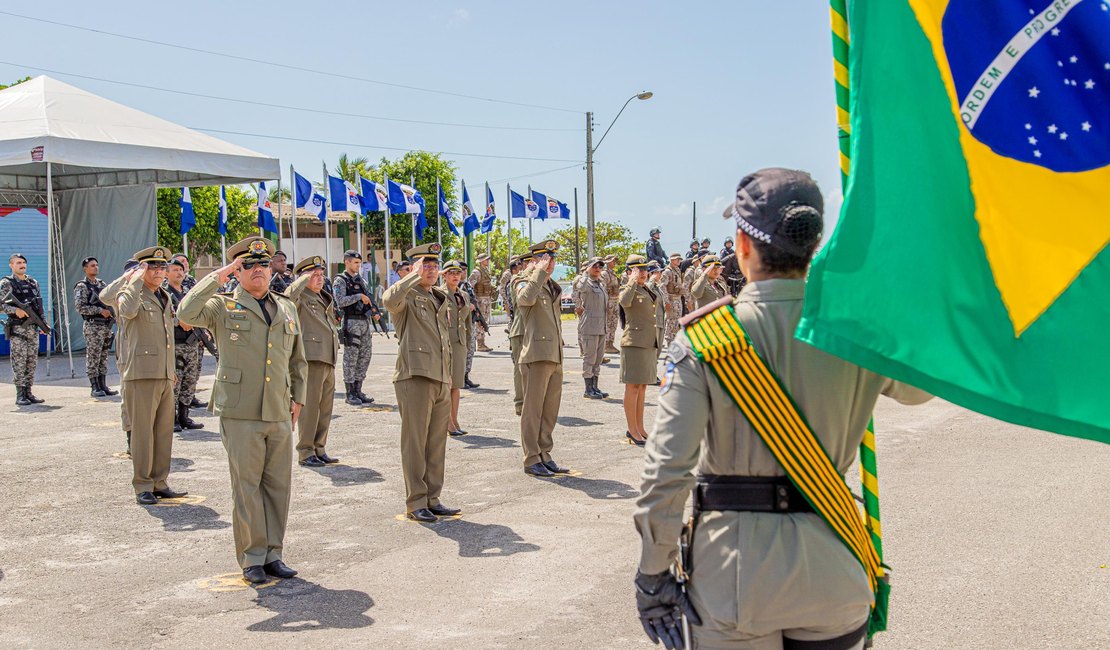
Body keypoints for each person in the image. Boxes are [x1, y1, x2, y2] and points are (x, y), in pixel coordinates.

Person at [633, 168, 932, 649]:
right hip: (835, 565)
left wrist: (652, 574)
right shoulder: (855, 330)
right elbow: (921, 389)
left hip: (734, 578)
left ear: (743, 246)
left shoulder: (705, 339)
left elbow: (666, 473)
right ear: (812, 246)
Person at [177, 236, 307, 585]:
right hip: (241, 410)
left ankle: (273, 554)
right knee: (247, 487)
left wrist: (299, 398)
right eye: (248, 265)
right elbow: (185, 312)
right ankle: (252, 556)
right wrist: (218, 276)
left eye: (263, 265)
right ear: (238, 271)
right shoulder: (222, 306)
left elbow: (297, 359)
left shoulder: (286, 307)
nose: (259, 271)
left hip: (278, 408)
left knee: (278, 485)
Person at [382, 243, 461, 523]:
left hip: (439, 376)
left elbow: (445, 342)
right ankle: (416, 501)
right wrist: (410, 277)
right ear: (414, 267)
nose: (431, 269)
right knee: (415, 443)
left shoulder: (439, 296)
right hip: (415, 375)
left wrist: (449, 374)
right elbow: (389, 301)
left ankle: (432, 498)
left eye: (433, 264)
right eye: (424, 264)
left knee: (436, 442)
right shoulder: (407, 294)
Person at [116, 246, 184, 505]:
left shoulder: (164, 296)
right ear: (141, 270)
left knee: (163, 431)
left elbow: (167, 338)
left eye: (162, 267)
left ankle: (159, 481)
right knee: (143, 432)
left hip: (164, 373)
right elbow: (128, 311)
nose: (159, 272)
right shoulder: (131, 293)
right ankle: (142, 484)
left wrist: (171, 371)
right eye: (152, 267)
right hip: (141, 373)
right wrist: (133, 281)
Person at [515, 240, 571, 478]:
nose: (550, 263)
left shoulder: (551, 285)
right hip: (536, 353)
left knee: (549, 410)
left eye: (552, 259)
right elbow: (525, 300)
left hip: (554, 353)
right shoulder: (523, 281)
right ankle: (531, 458)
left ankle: (544, 453)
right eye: (545, 259)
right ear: (534, 260)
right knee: (533, 410)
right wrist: (538, 272)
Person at [286, 255, 341, 468]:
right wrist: (301, 280)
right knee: (309, 409)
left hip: (327, 358)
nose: (319, 278)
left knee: (324, 408)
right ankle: (305, 451)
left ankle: (319, 447)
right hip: (311, 358)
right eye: (314, 275)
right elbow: (287, 297)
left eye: (321, 275)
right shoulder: (301, 296)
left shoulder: (322, 297)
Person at [618, 255, 660, 446]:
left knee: (642, 387)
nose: (643, 273)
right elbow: (625, 302)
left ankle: (640, 428)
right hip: (634, 343)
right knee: (633, 387)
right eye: (638, 269)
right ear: (629, 272)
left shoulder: (646, 289)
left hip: (648, 343)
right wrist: (631, 281)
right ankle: (632, 429)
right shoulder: (627, 289)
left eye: (644, 269)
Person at [333, 250, 380, 406]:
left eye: (359, 263)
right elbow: (340, 301)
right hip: (351, 322)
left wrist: (374, 311)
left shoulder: (362, 281)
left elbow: (369, 298)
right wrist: (358, 297)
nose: (358, 266)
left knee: (365, 356)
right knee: (351, 358)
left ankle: (359, 390)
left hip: (364, 322)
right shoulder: (340, 280)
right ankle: (350, 392)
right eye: (355, 263)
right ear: (347, 262)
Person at [101, 259, 138, 450]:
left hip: (152, 351)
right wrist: (126, 278)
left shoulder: (152, 291)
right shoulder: (121, 293)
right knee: (129, 394)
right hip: (128, 348)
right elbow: (105, 296)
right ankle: (132, 438)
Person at [1, 253, 47, 406]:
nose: (22, 265)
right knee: (19, 362)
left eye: (23, 262)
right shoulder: (6, 283)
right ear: (11, 265)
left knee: (31, 362)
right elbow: (1, 305)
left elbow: (39, 306)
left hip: (33, 328)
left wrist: (43, 325)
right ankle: (20, 394)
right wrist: (16, 311)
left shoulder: (33, 282)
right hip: (18, 329)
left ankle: (29, 392)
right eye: (18, 262)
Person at [165, 258, 204, 432]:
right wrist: (178, 321)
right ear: (167, 273)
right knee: (175, 382)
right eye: (175, 270)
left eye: (181, 270)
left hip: (192, 344)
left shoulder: (188, 292)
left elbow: (199, 311)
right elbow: (162, 317)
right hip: (175, 344)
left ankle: (184, 416)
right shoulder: (164, 293)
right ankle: (171, 418)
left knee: (190, 381)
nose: (179, 273)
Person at [74, 256, 118, 398]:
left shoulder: (101, 284)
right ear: (85, 269)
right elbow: (80, 307)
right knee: (94, 356)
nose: (95, 267)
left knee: (103, 356)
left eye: (96, 265)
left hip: (105, 326)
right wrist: (99, 311)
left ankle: (103, 384)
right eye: (92, 265)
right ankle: (94, 386)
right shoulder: (82, 286)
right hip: (93, 326)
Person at [441, 260, 473, 437]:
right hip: (445, 343)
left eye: (458, 273)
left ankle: (454, 419)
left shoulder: (463, 295)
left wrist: (467, 344)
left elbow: (466, 322)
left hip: (459, 343)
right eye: (451, 273)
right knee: (447, 384)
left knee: (457, 384)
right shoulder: (439, 293)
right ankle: (447, 422)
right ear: (444, 275)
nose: (455, 276)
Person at [573, 257, 609, 400]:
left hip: (601, 326)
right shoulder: (585, 282)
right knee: (590, 358)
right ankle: (588, 389)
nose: (598, 268)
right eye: (594, 266)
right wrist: (585, 274)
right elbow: (579, 288)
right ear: (588, 267)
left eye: (600, 266)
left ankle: (595, 386)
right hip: (589, 326)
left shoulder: (600, 283)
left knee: (598, 359)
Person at [507, 251, 532, 416]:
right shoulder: (518, 280)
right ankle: (520, 403)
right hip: (521, 329)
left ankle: (532, 402)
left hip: (535, 330)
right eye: (530, 262)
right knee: (520, 368)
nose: (533, 265)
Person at [458, 261, 481, 389]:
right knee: (464, 350)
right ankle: (460, 377)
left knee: (471, 350)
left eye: (465, 270)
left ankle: (466, 376)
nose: (464, 272)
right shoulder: (457, 286)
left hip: (471, 320)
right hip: (463, 322)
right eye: (461, 270)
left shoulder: (466, 284)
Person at [468, 253, 495, 352]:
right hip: (480, 300)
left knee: (484, 321)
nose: (487, 261)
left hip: (486, 299)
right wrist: (473, 300)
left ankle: (481, 343)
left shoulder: (485, 271)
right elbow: (470, 285)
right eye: (485, 259)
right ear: (481, 261)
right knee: (480, 321)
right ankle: (480, 344)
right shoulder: (477, 272)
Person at [660, 253, 684, 345]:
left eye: (679, 259)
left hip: (677, 298)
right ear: (672, 260)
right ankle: (669, 340)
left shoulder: (677, 270)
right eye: (677, 259)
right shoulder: (667, 272)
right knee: (671, 320)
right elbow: (662, 287)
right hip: (671, 299)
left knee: (676, 321)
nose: (679, 261)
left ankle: (674, 340)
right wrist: (666, 301)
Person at [602, 254, 621, 354]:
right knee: (608, 323)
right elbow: (603, 289)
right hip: (608, 301)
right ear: (608, 262)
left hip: (615, 301)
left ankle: (610, 343)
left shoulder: (613, 273)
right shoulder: (605, 274)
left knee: (613, 323)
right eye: (613, 261)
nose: (614, 263)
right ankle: (606, 344)